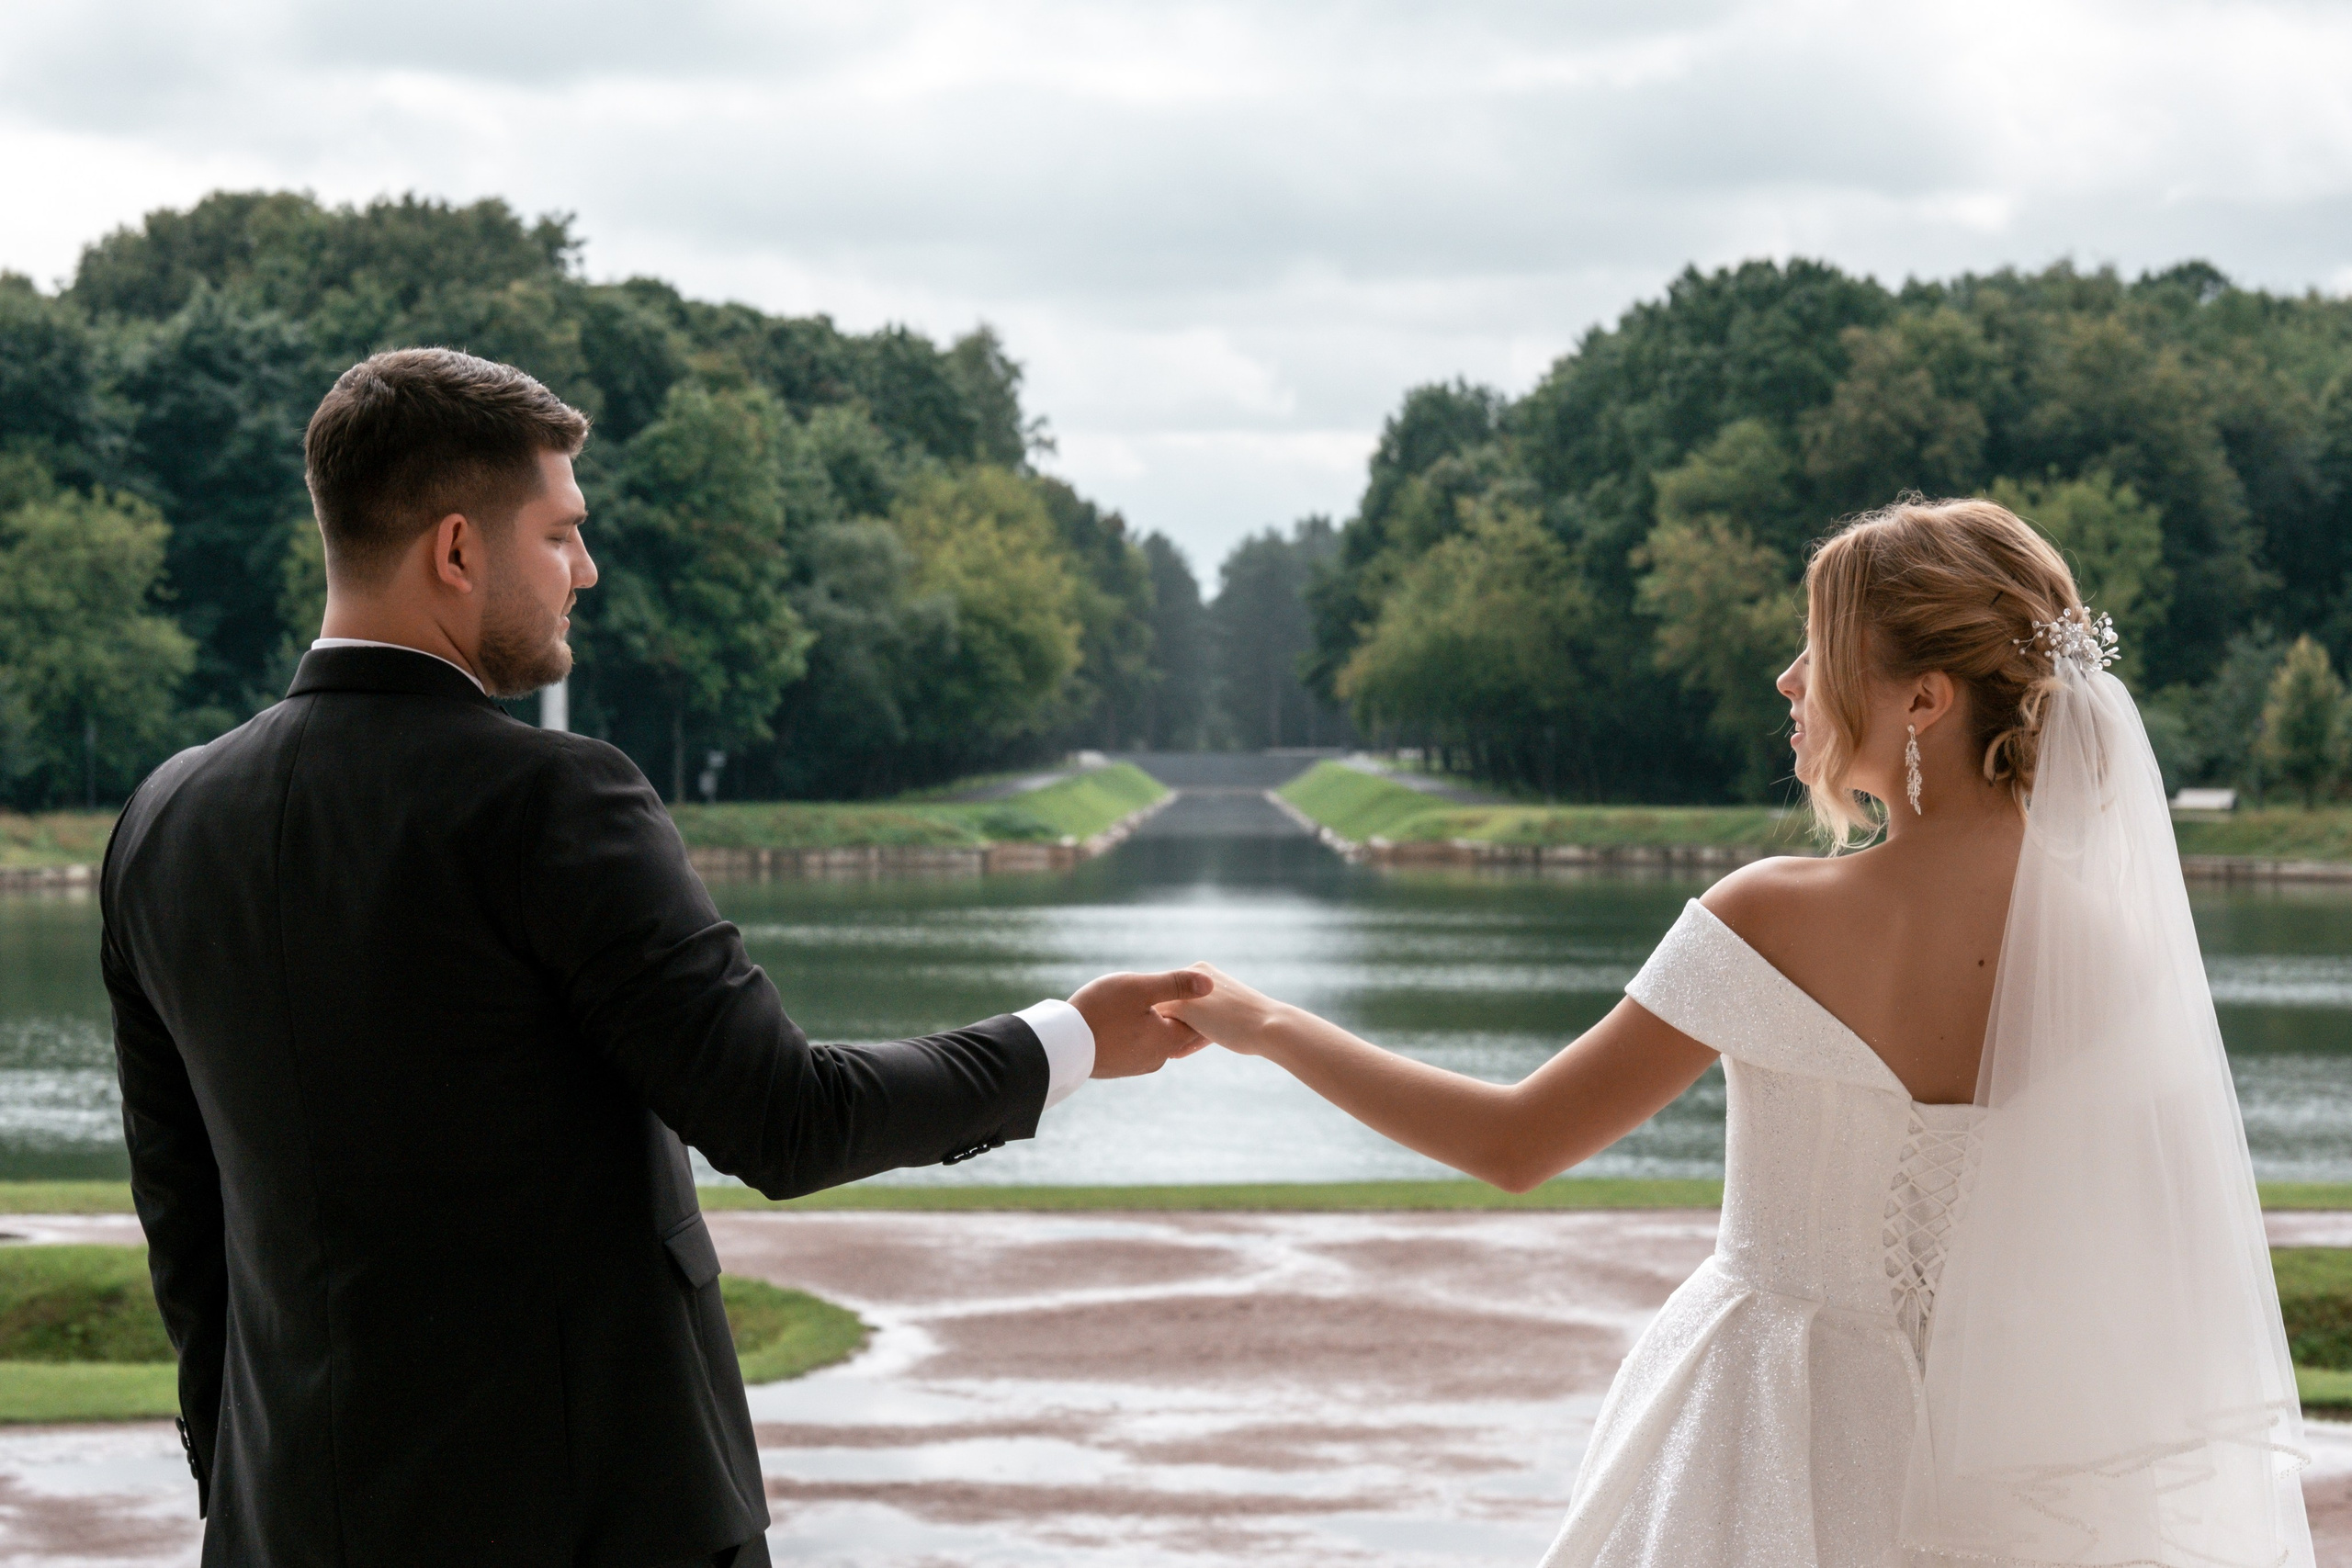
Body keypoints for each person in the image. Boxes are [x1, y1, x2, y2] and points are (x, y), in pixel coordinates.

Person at [101, 347, 1210, 1567]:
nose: (588, 567)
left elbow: (189, 1233)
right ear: (458, 550)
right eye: (562, 534)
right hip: (600, 1526)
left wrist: (244, 1500)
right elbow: (785, 1116)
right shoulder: (551, 797)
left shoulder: (162, 820)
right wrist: (1070, 1040)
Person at [1165, 498, 2313, 1567]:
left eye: (1819, 648)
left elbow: (1515, 1144)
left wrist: (1266, 1024)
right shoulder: (2112, 954)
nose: (1788, 678)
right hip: (2020, 1441)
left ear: (1925, 699)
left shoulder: (1769, 914)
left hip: (1770, 1425)